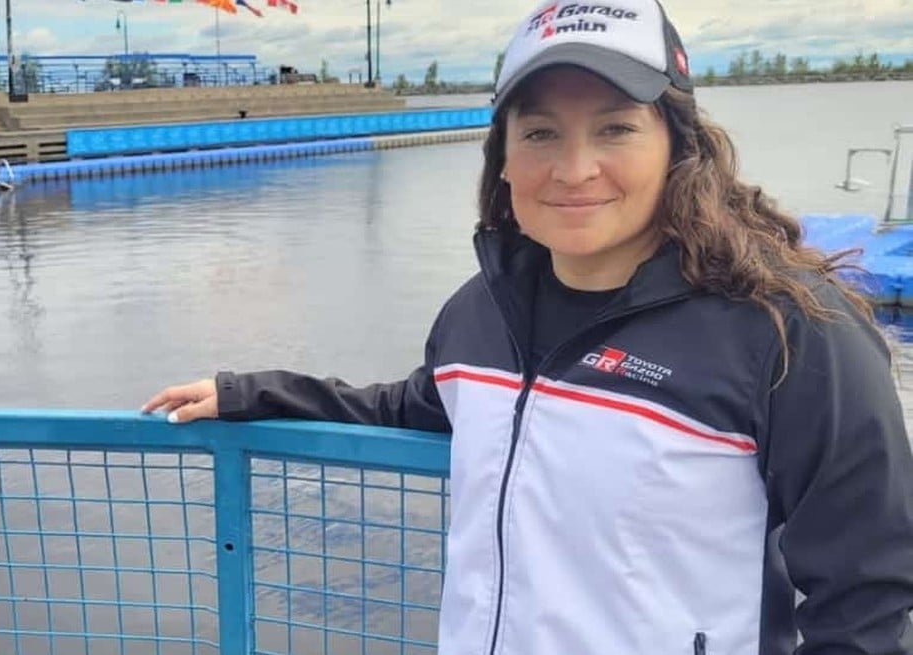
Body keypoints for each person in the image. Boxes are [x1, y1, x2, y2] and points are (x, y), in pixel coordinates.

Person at [141, 0, 913, 652]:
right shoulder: (481, 310)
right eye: (540, 133)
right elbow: (418, 405)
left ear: (680, 148)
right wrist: (251, 393)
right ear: (503, 158)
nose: (574, 169)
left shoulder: (787, 332)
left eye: (615, 129)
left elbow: (868, 596)